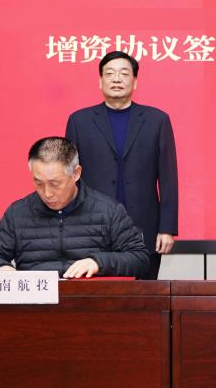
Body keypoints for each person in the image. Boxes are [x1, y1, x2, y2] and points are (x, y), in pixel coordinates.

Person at [65, 51, 178, 280]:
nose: (117, 79)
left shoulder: (157, 120)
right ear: (100, 81)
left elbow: (168, 177)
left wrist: (167, 228)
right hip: (91, 226)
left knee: (143, 294)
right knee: (95, 295)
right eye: (110, 73)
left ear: (135, 81)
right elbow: (69, 178)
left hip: (143, 226)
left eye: (124, 73)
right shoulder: (79, 121)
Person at [0, 136, 149, 278]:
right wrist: (1, 269)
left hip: (89, 304)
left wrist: (98, 263)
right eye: (38, 183)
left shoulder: (108, 210)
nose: (47, 193)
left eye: (55, 183)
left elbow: (139, 259)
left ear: (76, 173)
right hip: (36, 305)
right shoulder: (18, 212)